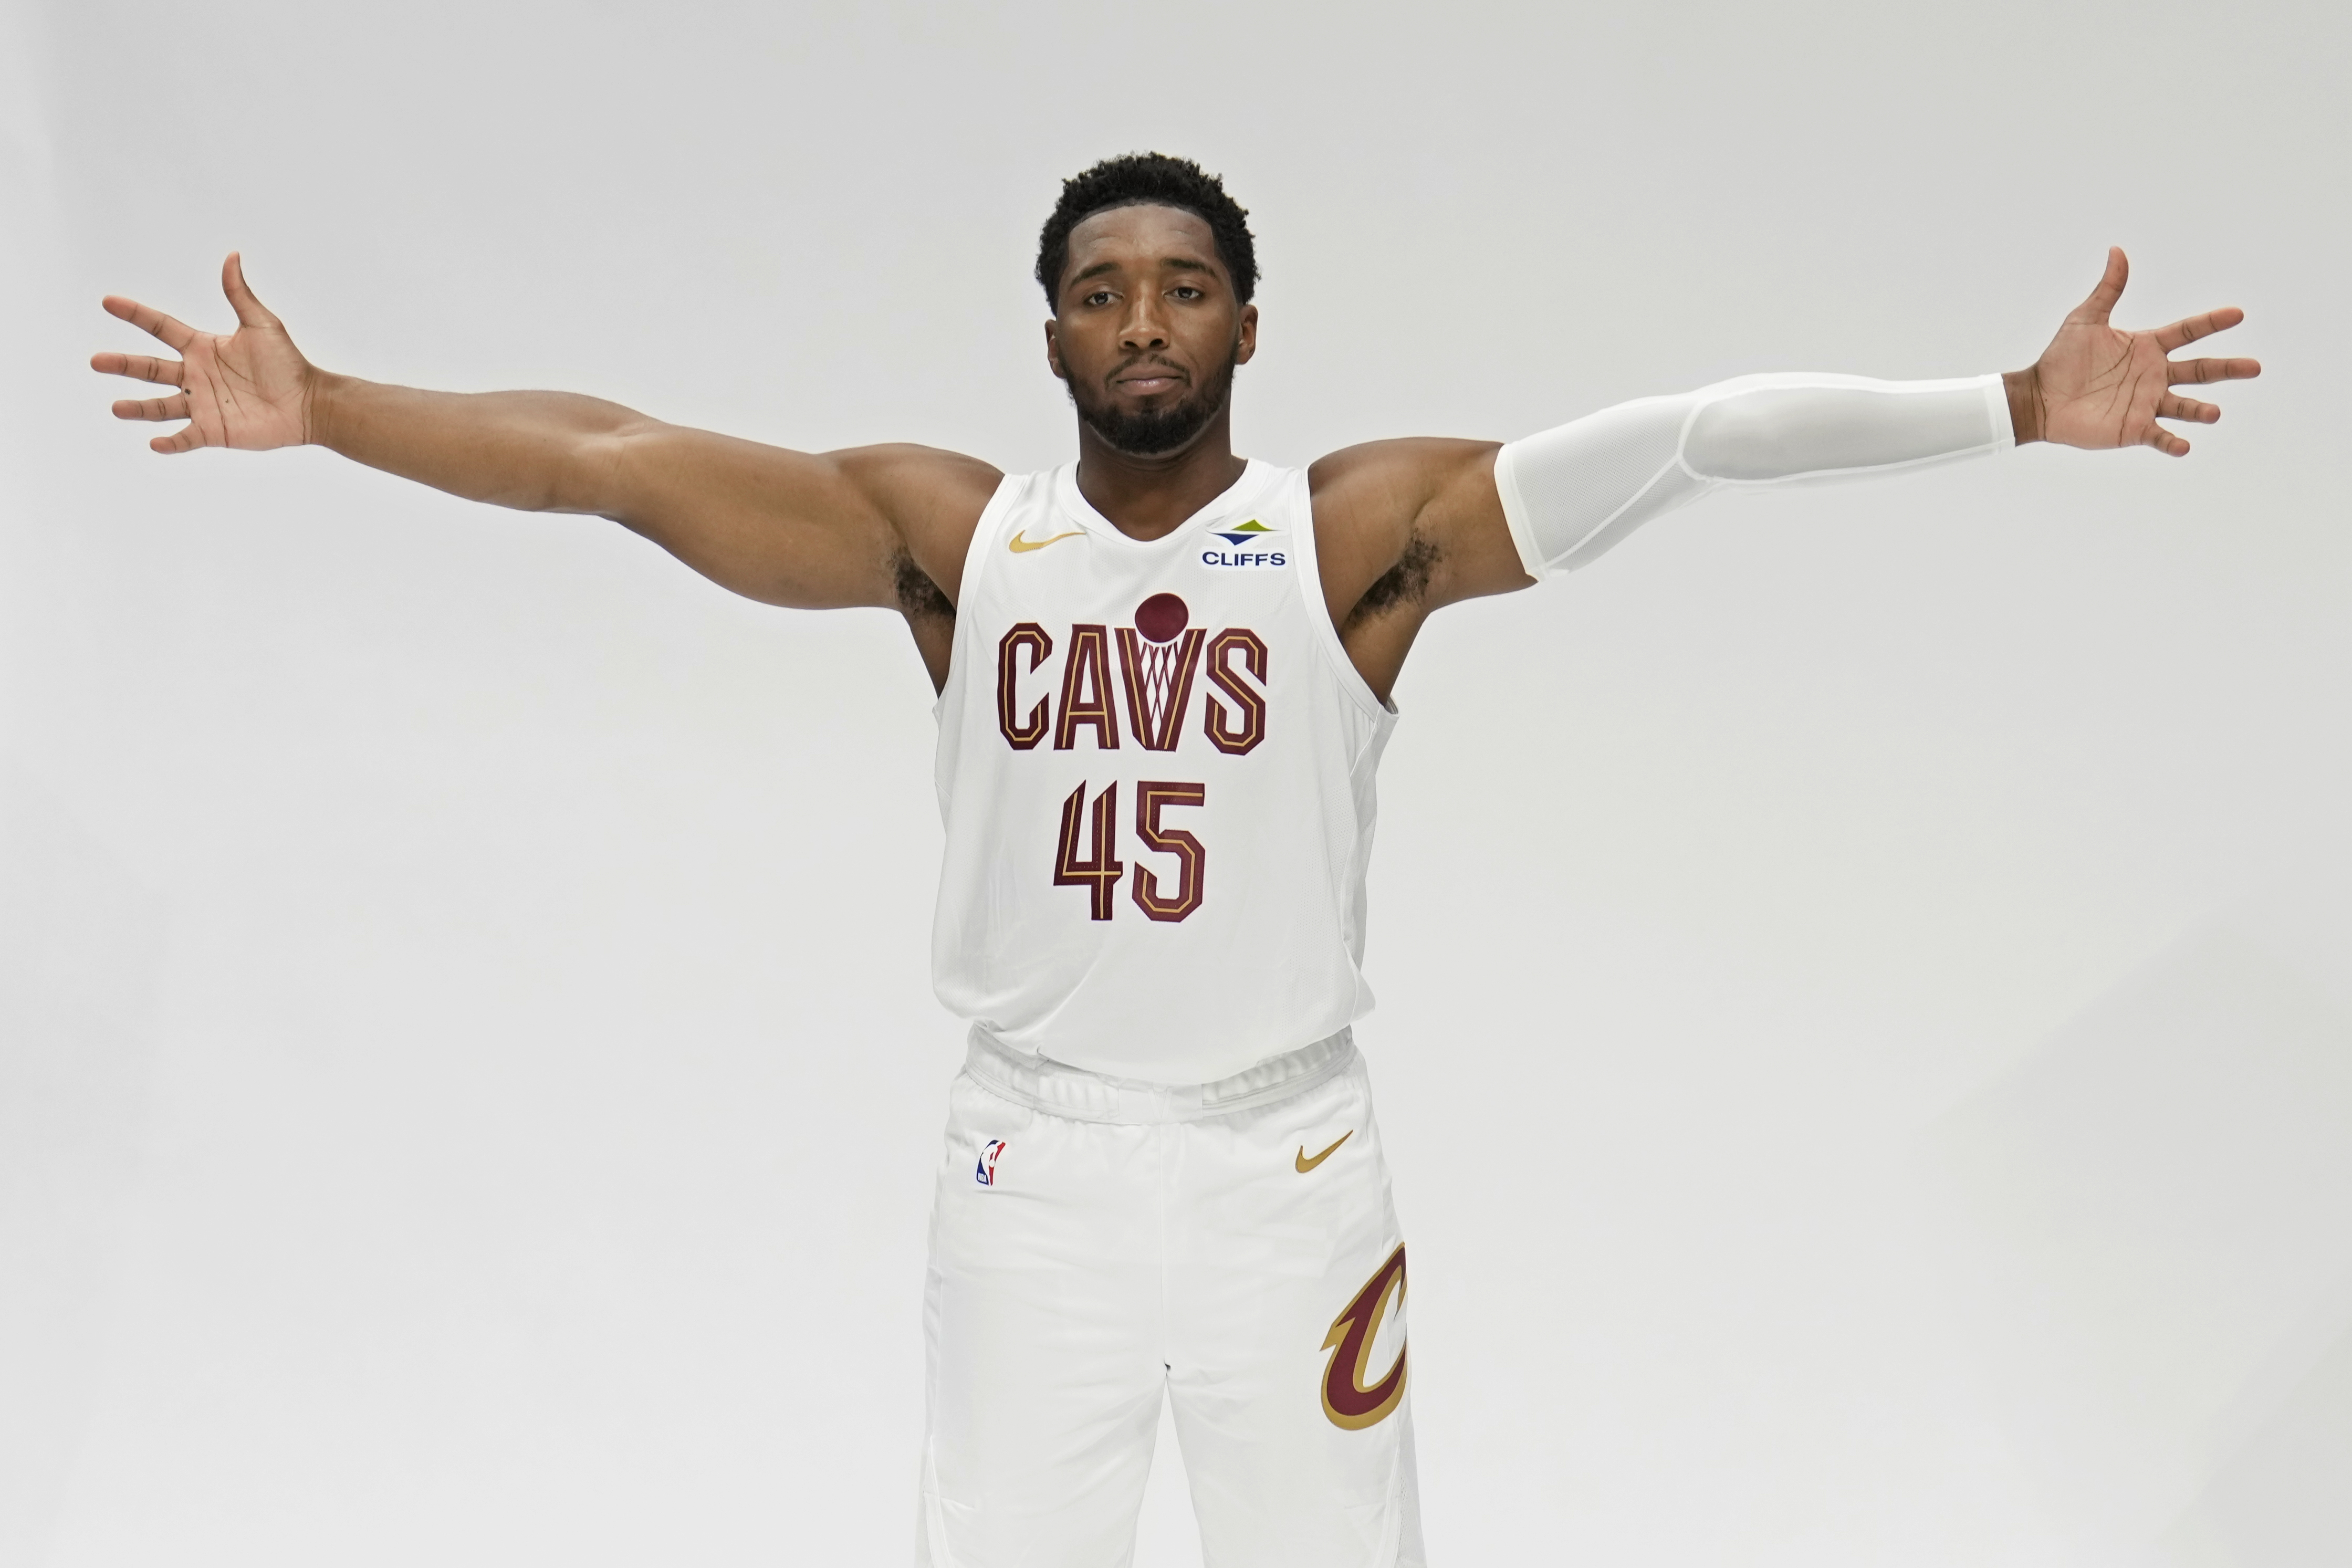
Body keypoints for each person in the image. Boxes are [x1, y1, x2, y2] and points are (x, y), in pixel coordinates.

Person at [91, 152, 2256, 1568]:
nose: (1145, 320)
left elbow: (1686, 440)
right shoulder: (959, 543)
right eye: (1103, 292)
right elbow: (610, 467)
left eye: (1186, 287)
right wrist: (330, 405)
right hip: (1026, 1180)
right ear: (1049, 335)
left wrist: (2004, 400)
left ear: (1244, 326)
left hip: (1288, 1178)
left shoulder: (1348, 535)